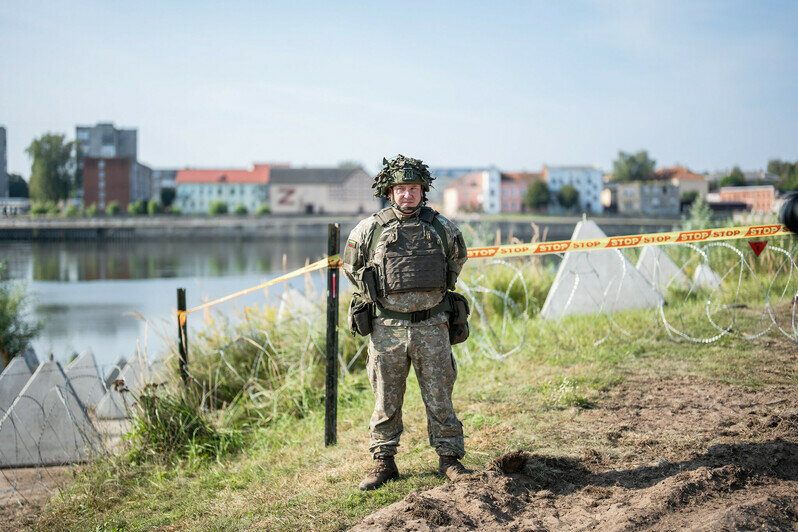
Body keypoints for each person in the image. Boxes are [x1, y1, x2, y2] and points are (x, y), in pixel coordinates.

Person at [343, 154, 470, 491]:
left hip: (432, 326)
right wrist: (375, 292)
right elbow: (351, 265)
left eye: (413, 189)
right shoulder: (370, 228)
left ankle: (449, 459)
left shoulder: (441, 227)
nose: (407, 195)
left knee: (440, 395)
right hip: (387, 329)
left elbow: (457, 258)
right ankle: (383, 462)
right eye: (401, 189)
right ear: (390, 191)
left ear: (422, 191)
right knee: (385, 399)